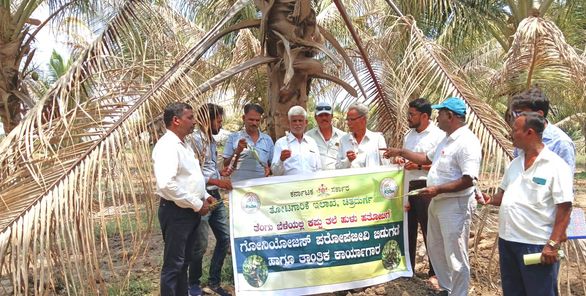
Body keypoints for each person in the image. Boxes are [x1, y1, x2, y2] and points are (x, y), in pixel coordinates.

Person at [384, 97, 482, 296]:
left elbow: (469, 179)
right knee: (437, 250)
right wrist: (401, 151)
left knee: (455, 254)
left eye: (440, 113)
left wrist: (438, 189)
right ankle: (445, 289)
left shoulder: (467, 142)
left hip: (454, 204)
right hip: (437, 202)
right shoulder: (446, 139)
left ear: (451, 116)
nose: (437, 117)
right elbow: (425, 158)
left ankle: (458, 293)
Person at [481, 112, 573, 296]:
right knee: (513, 292)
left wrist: (552, 244)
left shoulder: (556, 166)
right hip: (508, 241)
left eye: (515, 130)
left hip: (536, 244)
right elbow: (504, 195)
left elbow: (565, 207)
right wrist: (489, 199)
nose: (510, 134)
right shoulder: (515, 164)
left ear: (529, 132)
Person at [152, 102, 211, 296]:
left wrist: (206, 196)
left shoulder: (183, 145)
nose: (194, 122)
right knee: (173, 265)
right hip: (177, 213)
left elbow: (190, 178)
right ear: (176, 120)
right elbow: (166, 184)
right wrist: (196, 203)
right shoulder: (167, 146)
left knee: (183, 263)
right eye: (190, 117)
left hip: (189, 211)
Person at [188, 104, 232, 296]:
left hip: (215, 196)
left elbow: (209, 168)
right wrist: (216, 180)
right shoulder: (194, 141)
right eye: (219, 120)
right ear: (208, 120)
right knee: (200, 244)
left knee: (224, 238)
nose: (220, 124)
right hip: (202, 196)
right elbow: (193, 174)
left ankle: (214, 282)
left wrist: (220, 173)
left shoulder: (211, 141)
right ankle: (193, 285)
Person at [399, 98, 444, 286]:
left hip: (427, 187)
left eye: (412, 115)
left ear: (424, 116)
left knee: (429, 231)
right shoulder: (408, 136)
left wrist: (418, 165)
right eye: (408, 114)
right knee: (408, 230)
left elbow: (441, 165)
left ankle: (435, 271)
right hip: (409, 187)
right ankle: (408, 269)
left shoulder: (438, 136)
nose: (408, 118)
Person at [509, 86, 576, 173]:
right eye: (515, 113)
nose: (516, 118)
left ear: (539, 114)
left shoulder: (561, 143)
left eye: (520, 113)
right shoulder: (522, 138)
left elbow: (565, 182)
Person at [223, 103, 274, 181]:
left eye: (257, 120)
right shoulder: (233, 138)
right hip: (240, 188)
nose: (254, 123)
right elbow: (226, 164)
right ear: (243, 118)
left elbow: (272, 165)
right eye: (251, 119)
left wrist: (269, 170)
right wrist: (237, 151)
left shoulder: (267, 140)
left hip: (262, 187)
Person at [271, 106, 321, 175]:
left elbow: (318, 168)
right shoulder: (281, 143)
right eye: (294, 121)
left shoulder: (312, 142)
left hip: (310, 184)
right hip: (290, 185)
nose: (297, 124)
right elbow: (275, 173)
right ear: (289, 123)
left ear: (306, 122)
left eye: (300, 120)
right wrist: (281, 160)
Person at [336, 103, 387, 168]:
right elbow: (337, 168)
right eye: (347, 120)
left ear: (363, 119)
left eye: (352, 119)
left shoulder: (377, 139)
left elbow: (386, 164)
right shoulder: (343, 140)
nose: (348, 123)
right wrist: (348, 160)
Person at [306, 101, 346, 170]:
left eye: (326, 115)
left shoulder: (343, 136)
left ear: (332, 116)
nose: (324, 118)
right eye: (320, 115)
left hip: (338, 177)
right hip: (316, 178)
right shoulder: (308, 137)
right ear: (315, 117)